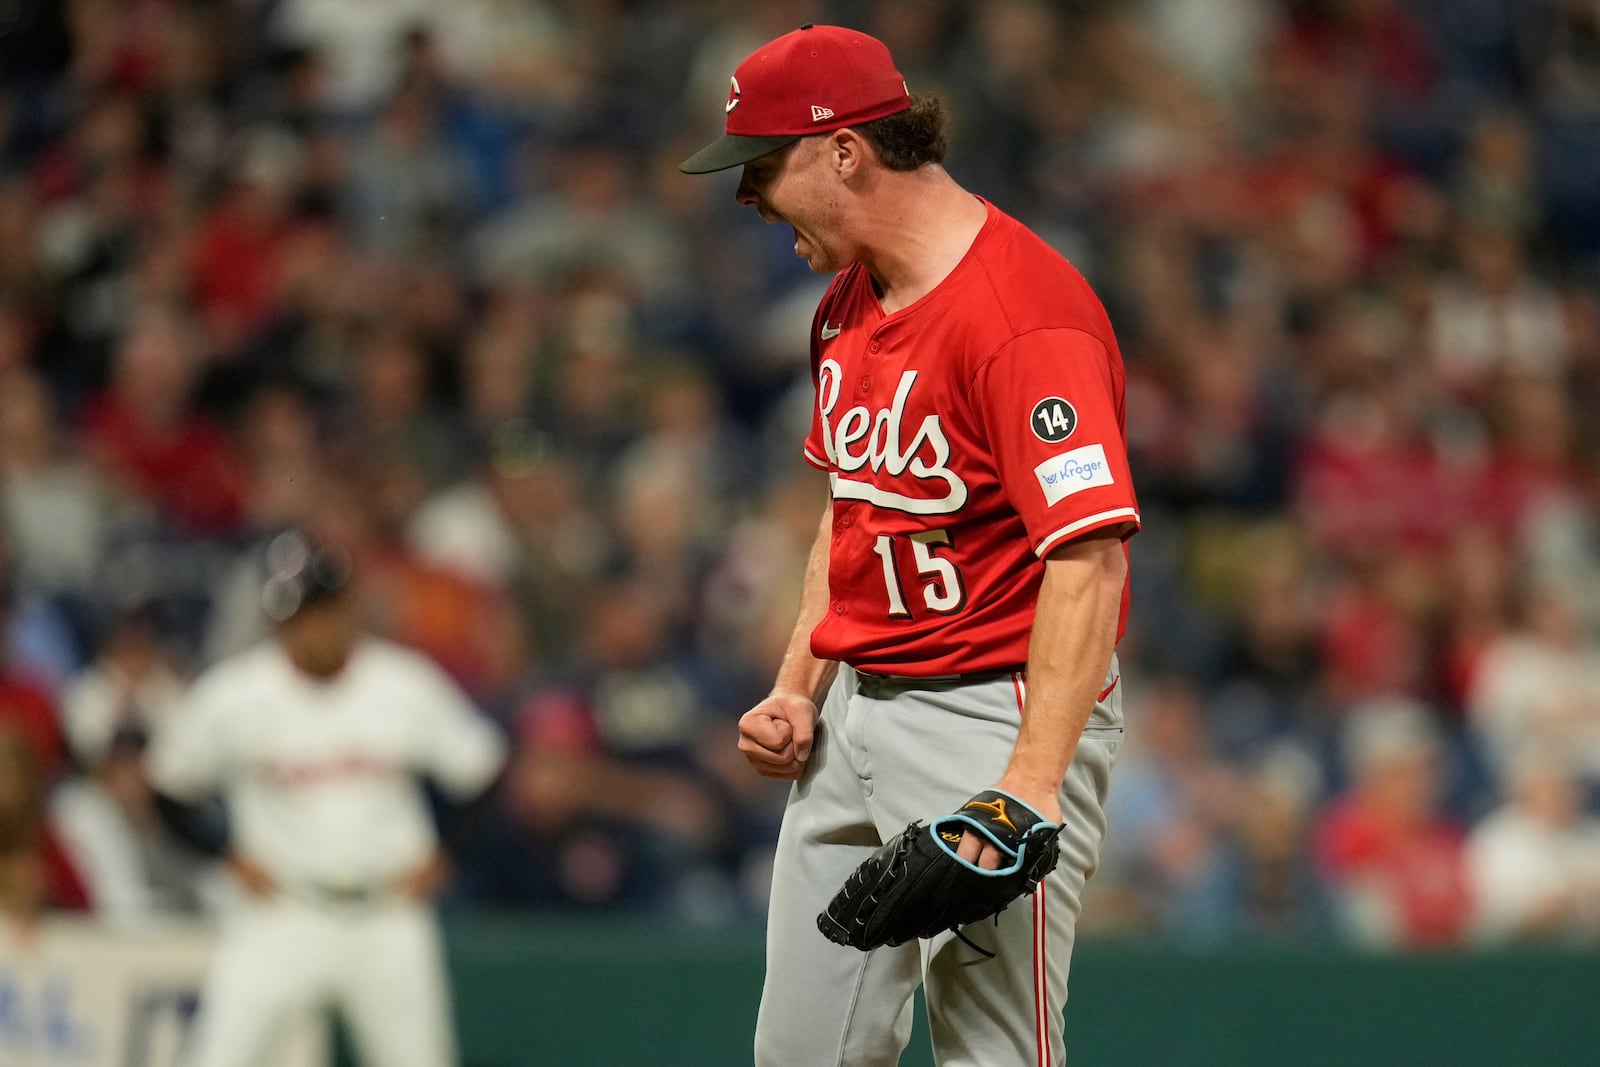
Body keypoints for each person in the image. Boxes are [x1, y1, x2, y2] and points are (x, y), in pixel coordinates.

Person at [681, 25, 1139, 1067]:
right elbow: (855, 505)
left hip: (987, 714)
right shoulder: (845, 296)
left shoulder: (1025, 317)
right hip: (853, 712)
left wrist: (1025, 787)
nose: (746, 197)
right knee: (801, 1052)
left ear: (844, 148)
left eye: (761, 167)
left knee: (993, 1053)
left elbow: (1087, 560)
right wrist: (799, 682)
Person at [145, 529, 506, 1067]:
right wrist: (223, 851)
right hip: (283, 912)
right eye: (296, 617)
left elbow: (481, 771)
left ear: (347, 609)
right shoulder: (238, 694)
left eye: (319, 611)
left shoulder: (402, 685)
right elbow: (168, 785)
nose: (310, 629)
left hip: (388, 914)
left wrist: (446, 850)